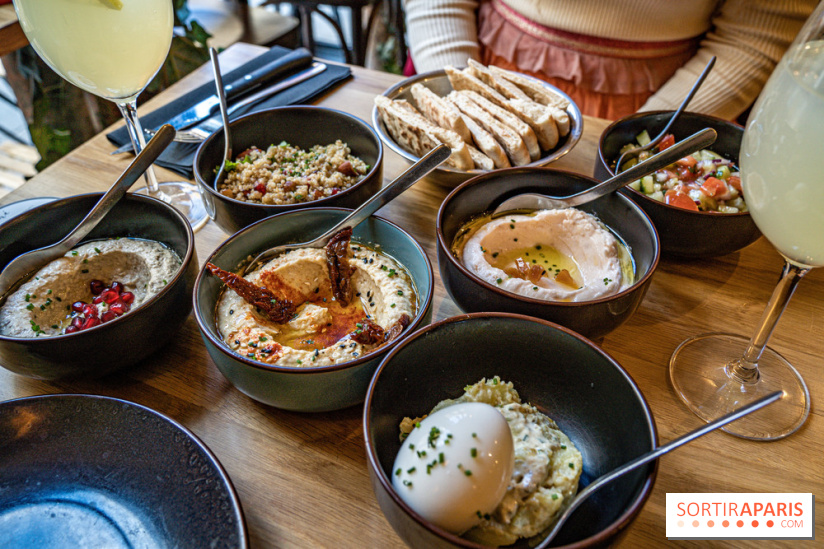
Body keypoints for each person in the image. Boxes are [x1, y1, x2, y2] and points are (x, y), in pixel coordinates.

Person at [404, 0, 818, 119]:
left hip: (662, 96)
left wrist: (641, 138)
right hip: (476, 59)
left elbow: (758, 32)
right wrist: (455, 91)